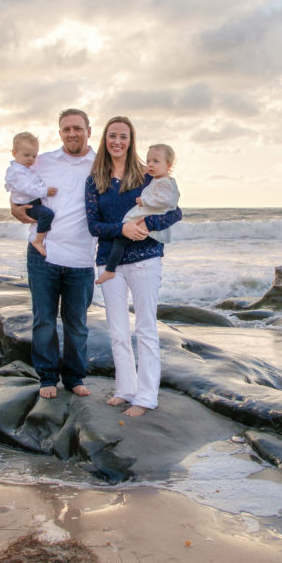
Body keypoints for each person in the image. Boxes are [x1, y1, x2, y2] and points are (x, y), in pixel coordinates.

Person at [85, 117, 182, 417]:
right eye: (112, 136)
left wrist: (146, 224)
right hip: (109, 262)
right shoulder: (95, 180)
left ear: (131, 140)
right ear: (105, 139)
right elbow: (93, 226)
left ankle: (146, 397)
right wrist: (122, 229)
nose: (117, 141)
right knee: (117, 330)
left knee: (145, 328)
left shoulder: (147, 174)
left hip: (145, 259)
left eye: (123, 136)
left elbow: (175, 212)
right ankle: (125, 389)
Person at [10, 109, 96, 399]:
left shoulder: (100, 165)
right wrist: (13, 208)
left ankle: (74, 377)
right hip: (43, 254)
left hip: (82, 258)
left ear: (88, 131)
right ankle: (47, 378)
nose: (72, 133)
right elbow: (17, 188)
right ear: (60, 133)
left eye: (77, 128)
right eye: (66, 129)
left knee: (77, 325)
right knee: (43, 320)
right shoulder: (42, 161)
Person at [95, 143, 179, 285]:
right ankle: (111, 269)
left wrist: (145, 203)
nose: (150, 165)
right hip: (143, 217)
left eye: (156, 161)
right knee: (121, 239)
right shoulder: (157, 179)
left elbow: (169, 205)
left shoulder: (163, 183)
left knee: (120, 240)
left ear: (169, 165)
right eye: (148, 161)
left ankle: (110, 270)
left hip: (146, 221)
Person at [4, 132, 57, 256]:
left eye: (34, 156)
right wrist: (45, 191)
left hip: (31, 201)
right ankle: (38, 241)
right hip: (27, 204)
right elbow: (26, 188)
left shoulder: (25, 169)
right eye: (26, 155)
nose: (31, 159)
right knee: (47, 214)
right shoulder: (16, 172)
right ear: (14, 153)